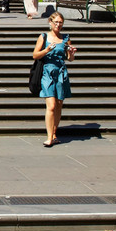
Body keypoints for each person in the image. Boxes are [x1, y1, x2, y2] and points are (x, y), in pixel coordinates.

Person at [34, 11, 76, 147]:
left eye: (60, 23)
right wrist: (46, 50)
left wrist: (71, 53)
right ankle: (49, 137)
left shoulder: (65, 38)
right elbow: (35, 55)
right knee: (51, 105)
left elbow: (70, 59)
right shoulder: (44, 36)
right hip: (47, 72)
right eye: (56, 22)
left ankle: (54, 133)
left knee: (58, 104)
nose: (58, 25)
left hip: (61, 72)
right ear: (50, 23)